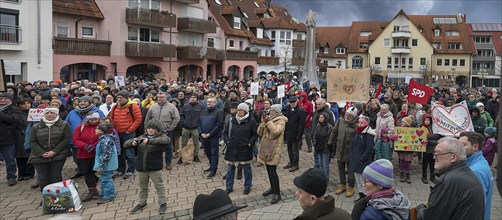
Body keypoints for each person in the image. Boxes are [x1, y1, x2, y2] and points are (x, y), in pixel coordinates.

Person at [415, 137, 484, 220]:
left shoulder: (448, 181)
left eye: (438, 154)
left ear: (453, 157)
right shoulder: (466, 172)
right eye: (434, 154)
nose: (434, 158)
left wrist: (419, 209)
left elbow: (431, 217)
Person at [125, 120, 170, 214]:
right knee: (143, 187)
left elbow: (167, 140)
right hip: (142, 167)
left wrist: (150, 141)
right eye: (148, 128)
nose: (150, 130)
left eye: (152, 128)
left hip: (155, 167)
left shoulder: (162, 136)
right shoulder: (142, 137)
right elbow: (126, 144)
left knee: (159, 185)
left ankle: (162, 203)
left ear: (157, 129)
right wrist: (132, 143)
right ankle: (142, 202)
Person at [29, 108, 72, 191]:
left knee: (56, 176)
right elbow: (32, 141)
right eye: (47, 113)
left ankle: (57, 196)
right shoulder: (36, 127)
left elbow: (65, 139)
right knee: (43, 178)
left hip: (58, 155)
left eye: (52, 113)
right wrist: (41, 153)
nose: (49, 114)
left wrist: (54, 151)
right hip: (39, 156)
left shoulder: (64, 125)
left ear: (57, 114)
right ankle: (46, 197)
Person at [66, 95, 104, 179]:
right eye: (80, 101)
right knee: (78, 158)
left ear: (90, 103)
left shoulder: (97, 112)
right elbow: (67, 124)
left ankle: (95, 173)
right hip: (76, 141)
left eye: (85, 101)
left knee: (94, 160)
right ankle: (81, 171)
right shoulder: (72, 112)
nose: (82, 103)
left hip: (93, 142)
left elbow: (103, 125)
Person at [223, 103, 258, 195]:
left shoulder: (251, 121)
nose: (238, 112)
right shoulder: (231, 120)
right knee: (230, 169)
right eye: (238, 110)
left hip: (245, 148)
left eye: (241, 110)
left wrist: (250, 143)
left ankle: (247, 186)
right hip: (232, 148)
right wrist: (227, 142)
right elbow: (225, 133)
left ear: (245, 111)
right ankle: (229, 187)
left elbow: (255, 134)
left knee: (247, 169)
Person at [458, 132, 493, 220]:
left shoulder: (475, 171)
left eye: (463, 145)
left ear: (475, 147)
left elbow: (475, 206)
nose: (458, 149)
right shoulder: (478, 162)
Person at [257, 104, 288, 204]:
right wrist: (262, 123)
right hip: (266, 147)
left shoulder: (281, 120)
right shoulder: (269, 119)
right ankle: (272, 188)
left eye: (272, 110)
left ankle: (277, 193)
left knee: (273, 171)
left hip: (274, 148)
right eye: (270, 110)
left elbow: (275, 132)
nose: (270, 111)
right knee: (268, 170)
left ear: (277, 111)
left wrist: (269, 122)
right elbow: (259, 133)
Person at [109, 90, 142, 179]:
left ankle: (131, 170)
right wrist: (113, 128)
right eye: (118, 97)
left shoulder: (133, 106)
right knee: (119, 152)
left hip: (128, 133)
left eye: (121, 97)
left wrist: (130, 130)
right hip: (117, 133)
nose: (119, 99)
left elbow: (138, 119)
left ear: (126, 98)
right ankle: (121, 169)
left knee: (129, 152)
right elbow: (111, 117)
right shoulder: (115, 106)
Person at [144, 92, 180, 171]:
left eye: (162, 97)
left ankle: (168, 163)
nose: (160, 99)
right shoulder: (153, 107)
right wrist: (147, 129)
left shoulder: (172, 107)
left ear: (166, 98)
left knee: (168, 147)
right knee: (154, 147)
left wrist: (170, 128)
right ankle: (156, 163)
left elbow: (176, 118)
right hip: (154, 131)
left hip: (166, 130)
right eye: (158, 97)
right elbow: (147, 119)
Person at [328, 106, 358, 197]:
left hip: (350, 151)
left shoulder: (357, 125)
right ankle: (342, 184)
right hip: (340, 149)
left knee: (350, 170)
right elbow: (334, 132)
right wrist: (330, 142)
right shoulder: (340, 121)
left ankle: (351, 186)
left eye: (350, 116)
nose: (347, 117)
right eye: (347, 115)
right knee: (341, 169)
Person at [72, 112, 101, 202]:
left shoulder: (100, 127)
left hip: (96, 153)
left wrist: (95, 145)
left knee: (96, 171)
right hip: (83, 154)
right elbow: (75, 139)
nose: (94, 121)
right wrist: (84, 146)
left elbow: (103, 137)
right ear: (88, 119)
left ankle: (95, 187)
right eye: (92, 120)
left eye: (96, 119)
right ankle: (92, 189)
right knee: (87, 172)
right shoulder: (80, 128)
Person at [0, 92, 26, 186]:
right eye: (1, 99)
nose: (3, 101)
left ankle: (11, 177)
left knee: (10, 160)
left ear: (10, 100)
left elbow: (12, 120)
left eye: (5, 99)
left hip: (8, 138)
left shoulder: (15, 109)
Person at [349, 116, 375, 200]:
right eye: (359, 122)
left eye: (361, 123)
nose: (359, 124)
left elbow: (369, 148)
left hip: (362, 161)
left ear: (366, 124)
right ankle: (361, 194)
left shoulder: (368, 134)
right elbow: (353, 145)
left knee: (363, 180)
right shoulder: (357, 132)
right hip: (355, 158)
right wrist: (352, 154)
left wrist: (362, 159)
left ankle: (365, 196)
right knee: (357, 179)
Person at [93, 122, 119, 204]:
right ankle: (104, 193)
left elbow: (106, 155)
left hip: (107, 165)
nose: (95, 130)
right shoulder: (103, 138)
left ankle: (109, 195)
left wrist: (102, 166)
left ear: (102, 131)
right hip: (105, 164)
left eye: (97, 128)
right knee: (103, 179)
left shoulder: (106, 140)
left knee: (106, 179)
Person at [199, 98, 224, 178]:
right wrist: (201, 133)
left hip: (214, 136)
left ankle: (214, 169)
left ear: (215, 103)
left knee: (214, 153)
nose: (208, 103)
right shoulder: (202, 112)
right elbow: (198, 123)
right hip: (204, 136)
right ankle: (211, 165)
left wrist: (210, 134)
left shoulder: (219, 112)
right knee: (208, 152)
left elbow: (219, 125)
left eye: (210, 102)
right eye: (208, 102)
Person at [283, 96, 306, 172]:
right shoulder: (288, 109)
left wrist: (299, 135)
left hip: (296, 133)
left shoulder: (300, 110)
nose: (292, 104)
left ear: (297, 102)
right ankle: (291, 161)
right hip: (289, 132)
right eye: (291, 102)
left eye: (294, 102)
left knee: (295, 150)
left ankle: (296, 164)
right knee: (289, 149)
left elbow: (302, 124)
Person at [180, 93, 203, 163]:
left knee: (196, 143)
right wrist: (184, 123)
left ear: (197, 99)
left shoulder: (200, 106)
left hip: (195, 128)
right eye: (191, 97)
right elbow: (181, 115)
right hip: (186, 128)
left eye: (194, 97)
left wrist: (198, 124)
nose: (192, 98)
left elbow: (202, 117)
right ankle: (182, 156)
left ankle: (196, 156)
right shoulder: (185, 106)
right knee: (183, 143)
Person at [313, 112, 333, 180]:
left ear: (325, 118)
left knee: (325, 164)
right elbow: (315, 135)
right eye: (319, 117)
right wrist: (315, 143)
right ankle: (321, 176)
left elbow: (331, 138)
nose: (320, 119)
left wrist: (328, 145)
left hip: (325, 148)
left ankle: (326, 177)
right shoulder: (318, 125)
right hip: (318, 147)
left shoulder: (329, 127)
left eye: (322, 117)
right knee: (320, 163)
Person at [396, 116, 414, 183]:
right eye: (402, 121)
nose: (402, 122)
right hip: (401, 149)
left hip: (409, 150)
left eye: (404, 122)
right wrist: (394, 138)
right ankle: (402, 175)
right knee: (402, 162)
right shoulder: (399, 129)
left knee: (407, 163)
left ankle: (408, 176)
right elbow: (396, 137)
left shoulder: (412, 130)